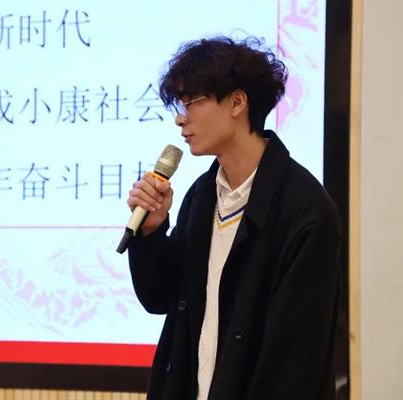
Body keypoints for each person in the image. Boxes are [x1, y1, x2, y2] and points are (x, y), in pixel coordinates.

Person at [125, 36, 341, 400]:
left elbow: (295, 364)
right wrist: (151, 233)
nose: (180, 118)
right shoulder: (202, 195)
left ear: (237, 102)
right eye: (179, 104)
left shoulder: (306, 210)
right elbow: (159, 297)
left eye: (191, 102)